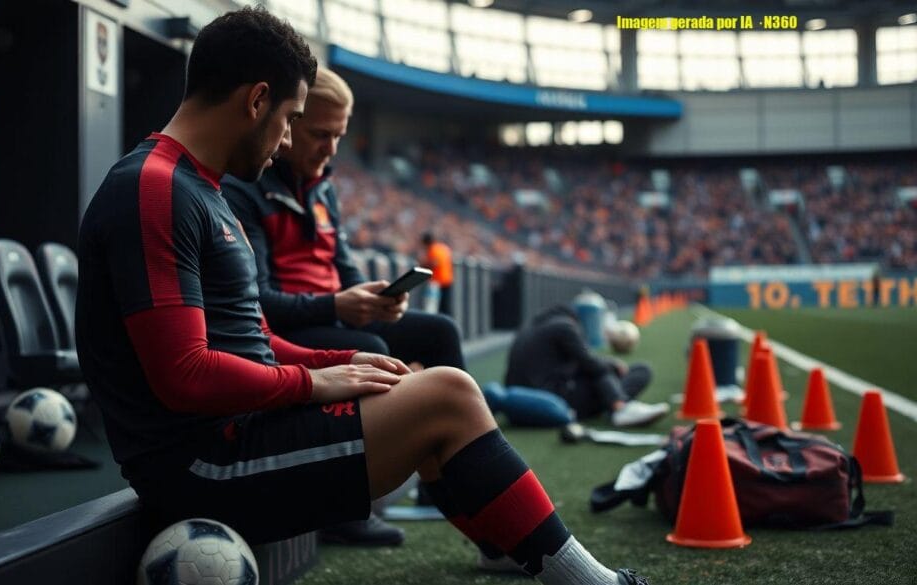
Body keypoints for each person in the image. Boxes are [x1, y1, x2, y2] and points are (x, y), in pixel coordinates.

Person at [75, 9, 647, 584]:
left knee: (415, 380)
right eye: (292, 118)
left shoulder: (198, 186)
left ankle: (505, 542)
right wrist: (314, 382)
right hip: (202, 465)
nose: (288, 140)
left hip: (238, 429)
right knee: (447, 394)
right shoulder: (154, 189)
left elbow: (251, 337)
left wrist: (341, 361)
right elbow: (185, 374)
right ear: (256, 101)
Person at [221, 68, 464, 377]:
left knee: (442, 330)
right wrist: (335, 306)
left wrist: (378, 300)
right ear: (288, 124)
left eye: (338, 136)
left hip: (333, 317)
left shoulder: (323, 189)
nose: (332, 149)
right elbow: (258, 301)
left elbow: (347, 272)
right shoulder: (245, 189)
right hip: (288, 330)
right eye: (321, 135)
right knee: (372, 348)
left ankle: (459, 423)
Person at [505, 305, 669, 428]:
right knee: (637, 370)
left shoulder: (528, 329)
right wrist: (611, 363)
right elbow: (591, 364)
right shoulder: (565, 326)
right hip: (552, 403)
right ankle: (620, 406)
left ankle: (616, 405)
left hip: (516, 406)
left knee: (599, 369)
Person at [420, 232, 454, 315]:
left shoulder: (433, 249)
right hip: (447, 280)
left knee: (434, 308)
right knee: (446, 307)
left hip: (437, 282)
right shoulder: (443, 248)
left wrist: (423, 265)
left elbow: (435, 263)